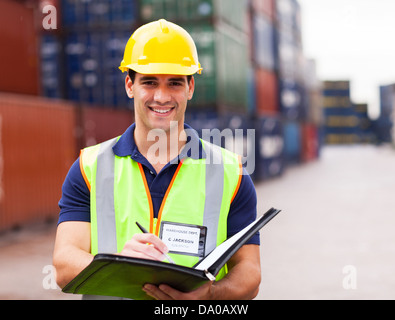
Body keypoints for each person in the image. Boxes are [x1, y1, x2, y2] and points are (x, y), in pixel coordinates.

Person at [53, 19, 261, 300]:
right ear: (130, 85)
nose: (161, 97)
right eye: (149, 82)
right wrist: (117, 265)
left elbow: (249, 273)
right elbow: (64, 266)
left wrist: (211, 293)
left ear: (190, 87)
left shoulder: (231, 174)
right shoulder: (88, 169)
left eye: (174, 83)